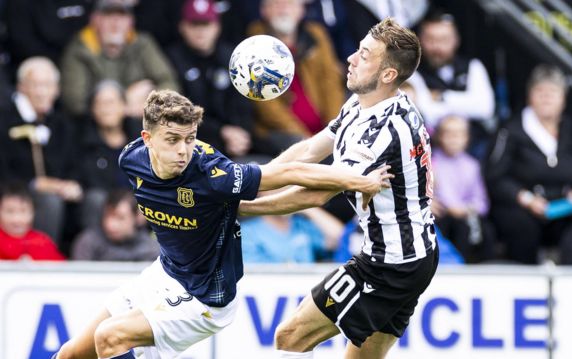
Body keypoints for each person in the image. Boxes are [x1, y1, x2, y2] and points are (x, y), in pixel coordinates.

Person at [52, 89, 390, 359]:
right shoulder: (130, 158)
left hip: (205, 299)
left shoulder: (213, 174)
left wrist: (357, 180)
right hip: (163, 274)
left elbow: (287, 173)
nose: (184, 150)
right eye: (173, 139)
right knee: (71, 353)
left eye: (190, 138)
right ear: (147, 138)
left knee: (109, 336)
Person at [240, 18, 439, 359]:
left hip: (391, 264)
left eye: (364, 54)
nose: (350, 58)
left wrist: (242, 207)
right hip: (409, 256)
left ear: (388, 75)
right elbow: (309, 150)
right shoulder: (366, 103)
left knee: (289, 338)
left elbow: (317, 192)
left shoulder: (383, 132)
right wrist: (252, 182)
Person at [484, 64, 572, 264]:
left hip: (570, 206)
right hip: (524, 207)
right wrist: (527, 199)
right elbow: (494, 175)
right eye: (540, 91)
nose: (546, 97)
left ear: (563, 98)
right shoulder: (511, 130)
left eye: (553, 92)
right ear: (529, 96)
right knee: (520, 226)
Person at [0, 56, 82, 244]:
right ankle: (43, 262)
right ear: (21, 87)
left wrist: (72, 185)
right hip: (15, 195)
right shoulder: (4, 119)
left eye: (48, 85)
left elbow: (73, 165)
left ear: (57, 90)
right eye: (36, 85)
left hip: (59, 197)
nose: (42, 92)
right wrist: (33, 184)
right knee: (49, 202)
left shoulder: (62, 124)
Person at [248, 0, 345, 156]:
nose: (284, 9)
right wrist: (308, 139)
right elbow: (266, 106)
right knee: (301, 148)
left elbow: (331, 82)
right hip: (284, 133)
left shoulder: (316, 34)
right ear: (264, 10)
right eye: (276, 4)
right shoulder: (254, 42)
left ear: (302, 10)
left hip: (324, 127)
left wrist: (333, 128)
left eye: (290, 4)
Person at [60, 0, 179, 118]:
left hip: (140, 121)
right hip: (93, 127)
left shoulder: (143, 44)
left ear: (131, 21)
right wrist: (126, 100)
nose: (115, 22)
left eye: (122, 16)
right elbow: (75, 102)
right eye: (108, 15)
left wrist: (148, 106)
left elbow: (169, 83)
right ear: (94, 20)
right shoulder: (80, 48)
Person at [166, 0, 254, 159]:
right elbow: (180, 110)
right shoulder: (171, 59)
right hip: (194, 140)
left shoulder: (231, 57)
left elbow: (244, 101)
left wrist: (240, 132)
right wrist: (221, 131)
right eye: (194, 24)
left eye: (205, 24)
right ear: (182, 27)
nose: (200, 30)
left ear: (217, 27)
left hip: (239, 138)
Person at [415, 10, 495, 157]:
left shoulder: (473, 66)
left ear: (456, 40)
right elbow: (427, 112)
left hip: (474, 148)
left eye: (444, 39)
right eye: (430, 39)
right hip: (433, 153)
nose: (437, 47)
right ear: (420, 40)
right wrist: (467, 102)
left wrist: (442, 97)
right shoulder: (413, 72)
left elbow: (485, 108)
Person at [431, 115, 494, 263]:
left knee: (485, 231)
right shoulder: (431, 161)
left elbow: (481, 201)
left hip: (464, 214)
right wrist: (449, 206)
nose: (454, 138)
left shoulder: (472, 165)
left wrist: (466, 209)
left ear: (467, 138)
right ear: (440, 136)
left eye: (459, 134)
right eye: (449, 133)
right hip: (441, 215)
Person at [78, 80, 140, 229]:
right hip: (102, 211)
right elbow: (85, 183)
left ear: (125, 107)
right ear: (93, 110)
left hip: (137, 212)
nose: (106, 109)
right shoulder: (83, 142)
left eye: (111, 102)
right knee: (95, 198)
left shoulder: (141, 140)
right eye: (100, 104)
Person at [72, 189, 159, 261]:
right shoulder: (88, 242)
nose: (110, 225)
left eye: (120, 218)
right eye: (107, 216)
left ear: (138, 217)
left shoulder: (152, 249)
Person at [0, 182, 65, 260]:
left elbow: (60, 268)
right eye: (10, 211)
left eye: (23, 211)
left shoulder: (43, 242)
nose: (17, 219)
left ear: (33, 213)